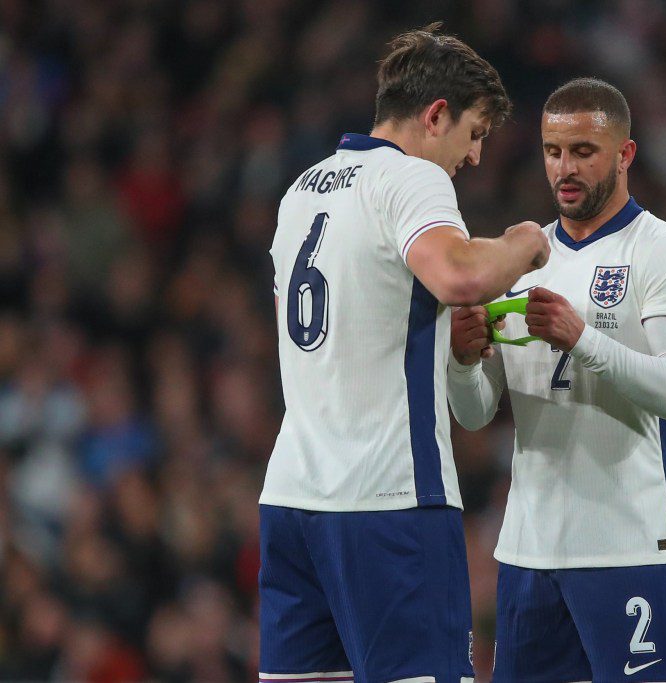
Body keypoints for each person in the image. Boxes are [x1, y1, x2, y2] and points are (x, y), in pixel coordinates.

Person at [258, 24, 549, 683]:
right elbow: (460, 273)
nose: (474, 157)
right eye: (473, 134)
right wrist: (524, 243)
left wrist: (446, 340)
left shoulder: (303, 189)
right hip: (388, 500)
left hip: (294, 497)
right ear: (435, 115)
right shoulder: (409, 179)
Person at [447, 77, 666, 682]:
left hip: (630, 545)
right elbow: (475, 412)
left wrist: (584, 339)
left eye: (583, 152)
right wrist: (464, 363)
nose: (564, 168)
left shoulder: (665, 253)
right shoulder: (519, 256)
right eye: (552, 151)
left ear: (625, 154)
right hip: (529, 550)